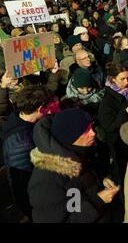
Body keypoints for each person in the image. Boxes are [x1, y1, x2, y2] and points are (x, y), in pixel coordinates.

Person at [28, 109, 120, 222]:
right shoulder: (46, 182)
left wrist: (101, 181)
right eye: (85, 130)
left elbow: (80, 190)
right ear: (69, 137)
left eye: (91, 126)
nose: (93, 133)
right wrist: (98, 201)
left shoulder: (77, 154)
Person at [1, 86, 53, 221]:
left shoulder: (24, 124)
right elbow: (22, 182)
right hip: (36, 201)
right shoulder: (20, 143)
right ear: (41, 108)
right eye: (49, 106)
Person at [98, 63, 128, 186]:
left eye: (127, 77)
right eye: (122, 79)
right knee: (124, 176)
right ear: (113, 79)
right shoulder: (107, 101)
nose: (126, 81)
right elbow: (109, 126)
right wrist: (125, 112)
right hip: (119, 145)